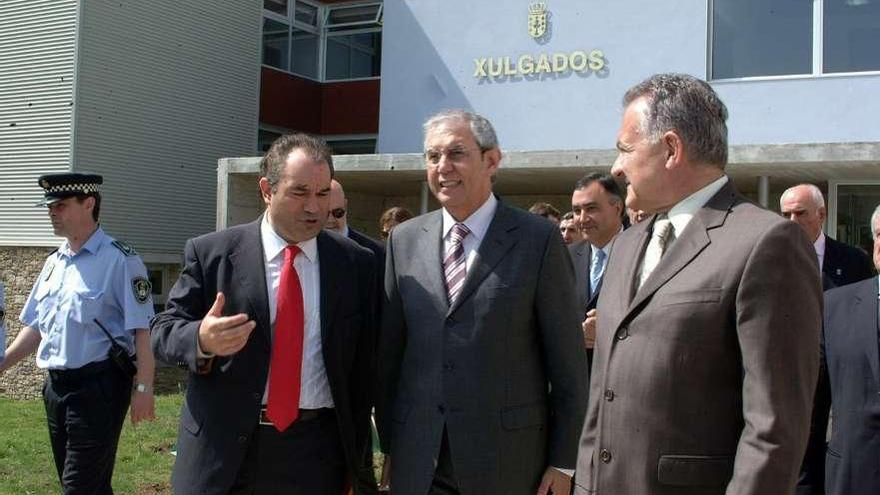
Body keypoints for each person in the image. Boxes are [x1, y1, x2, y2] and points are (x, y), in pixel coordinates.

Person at [574, 73, 821, 494]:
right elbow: (602, 396)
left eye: (625, 150)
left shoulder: (767, 242)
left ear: (671, 148)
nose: (616, 167)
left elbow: (774, 428)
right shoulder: (627, 243)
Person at [151, 133, 378, 494]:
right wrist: (201, 339)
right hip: (226, 453)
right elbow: (162, 331)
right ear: (267, 190)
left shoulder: (357, 264)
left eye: (322, 194)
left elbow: (369, 363)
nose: (314, 208)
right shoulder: (212, 254)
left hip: (317, 455)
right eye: (299, 192)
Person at [378, 109, 587, 495]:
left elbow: (569, 366)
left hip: (508, 461)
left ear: (492, 161)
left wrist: (563, 461)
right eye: (432, 156)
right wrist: (391, 445)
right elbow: (391, 358)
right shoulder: (403, 241)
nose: (443, 167)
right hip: (419, 460)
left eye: (456, 153)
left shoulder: (537, 240)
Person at [0, 173, 156, 495]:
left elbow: (143, 330)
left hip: (98, 389)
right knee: (86, 484)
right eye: (49, 206)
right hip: (56, 390)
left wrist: (144, 387)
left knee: (79, 487)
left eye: (60, 205)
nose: (51, 212)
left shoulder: (121, 260)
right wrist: (2, 363)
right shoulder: (54, 263)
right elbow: (37, 328)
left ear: (89, 204)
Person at [798, 204, 880, 495]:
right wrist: (804, 483)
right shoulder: (834, 307)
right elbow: (812, 408)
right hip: (852, 476)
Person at [568, 173, 624, 361]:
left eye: (591, 208)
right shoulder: (564, 256)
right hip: (576, 376)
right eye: (576, 211)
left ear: (617, 209)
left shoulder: (645, 251)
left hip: (619, 369)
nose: (582, 219)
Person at [780, 183, 874, 290]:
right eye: (786, 215)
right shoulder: (770, 260)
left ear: (821, 215)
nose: (793, 221)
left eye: (800, 213)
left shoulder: (855, 260)